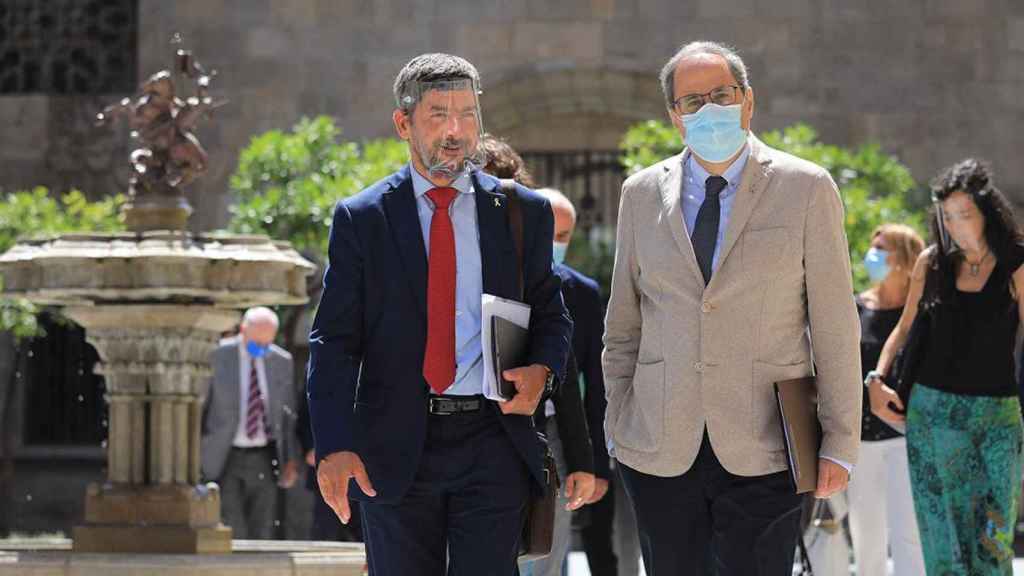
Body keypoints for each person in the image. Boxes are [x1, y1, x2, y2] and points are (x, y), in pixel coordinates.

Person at [307, 53, 573, 576]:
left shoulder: (524, 213)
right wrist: (335, 445)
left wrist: (543, 368)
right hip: (394, 447)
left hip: (494, 441)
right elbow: (334, 340)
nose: (456, 130)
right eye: (438, 114)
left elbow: (551, 313)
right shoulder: (364, 218)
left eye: (467, 113)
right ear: (403, 123)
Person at [602, 41, 861, 576]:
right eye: (692, 100)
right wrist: (619, 418)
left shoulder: (806, 188)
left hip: (767, 443)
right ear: (675, 117)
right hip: (659, 445)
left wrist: (839, 442)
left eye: (721, 94)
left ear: (748, 101)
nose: (708, 109)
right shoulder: (641, 193)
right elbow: (623, 324)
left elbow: (835, 325)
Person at [867, 158, 1024, 575]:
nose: (955, 225)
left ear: (987, 212)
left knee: (993, 535)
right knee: (942, 535)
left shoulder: (1017, 263)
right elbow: (902, 329)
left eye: (964, 214)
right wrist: (876, 379)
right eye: (947, 216)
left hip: (996, 417)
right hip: (932, 414)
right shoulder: (933, 262)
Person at [479, 135, 598, 576]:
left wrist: (583, 462)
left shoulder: (544, 277)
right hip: (451, 435)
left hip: (534, 436)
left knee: (539, 558)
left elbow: (562, 374)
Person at [846, 224, 926, 576]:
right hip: (860, 442)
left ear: (904, 260)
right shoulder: (856, 307)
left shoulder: (922, 313)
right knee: (865, 535)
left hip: (904, 437)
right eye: (872, 246)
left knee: (908, 534)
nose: (872, 255)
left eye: (883, 249)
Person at [200, 306, 301, 539]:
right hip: (225, 455)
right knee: (231, 526)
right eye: (257, 344)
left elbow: (287, 415)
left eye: (267, 344)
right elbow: (201, 407)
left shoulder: (280, 360)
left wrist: (290, 460)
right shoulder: (217, 356)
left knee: (263, 526)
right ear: (243, 330)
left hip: (265, 456)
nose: (261, 350)